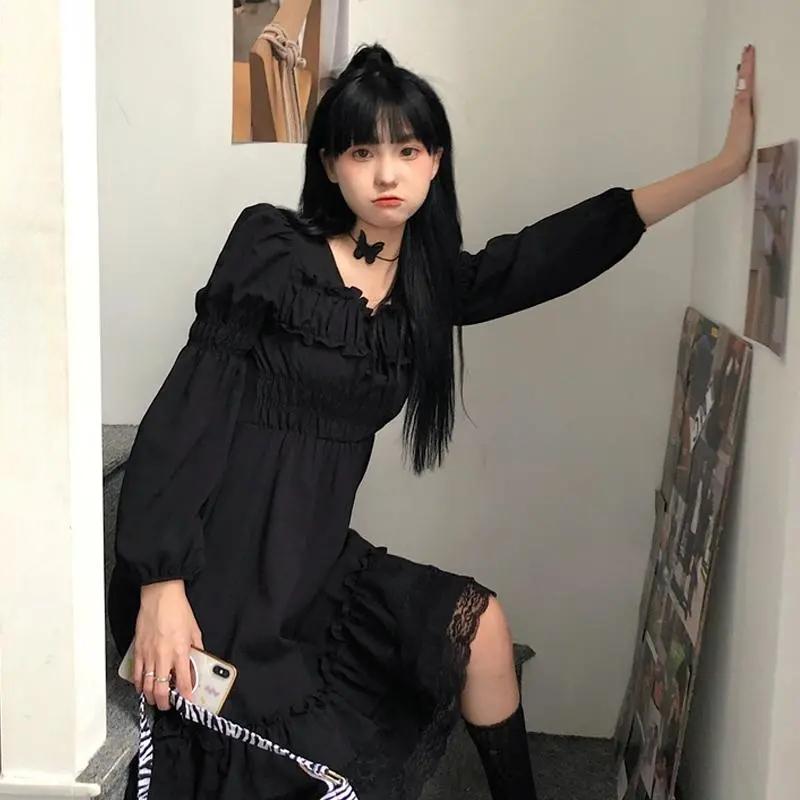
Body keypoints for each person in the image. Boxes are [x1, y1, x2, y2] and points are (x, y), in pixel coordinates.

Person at [107, 40, 755, 800]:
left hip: (310, 563)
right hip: (213, 567)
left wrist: (722, 168)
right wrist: (159, 582)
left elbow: (547, 254)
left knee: (482, 627)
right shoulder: (271, 249)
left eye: (407, 151)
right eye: (362, 152)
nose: (387, 174)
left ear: (435, 162)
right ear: (329, 165)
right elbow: (187, 410)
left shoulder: (428, 285)